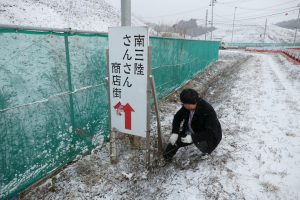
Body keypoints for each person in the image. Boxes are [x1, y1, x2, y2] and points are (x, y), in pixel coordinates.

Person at [163, 88, 222, 162]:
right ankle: (166, 158)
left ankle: (207, 151)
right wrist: (175, 132)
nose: (183, 105)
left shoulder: (207, 110)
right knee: (176, 141)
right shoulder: (187, 107)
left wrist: (193, 138)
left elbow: (210, 132)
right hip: (192, 130)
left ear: (190, 103)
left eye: (184, 104)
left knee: (203, 146)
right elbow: (177, 117)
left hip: (208, 137)